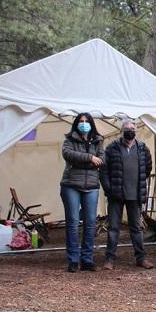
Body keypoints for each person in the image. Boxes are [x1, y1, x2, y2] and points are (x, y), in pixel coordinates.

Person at [101, 119, 153, 270]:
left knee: (136, 228)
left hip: (135, 194)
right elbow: (104, 170)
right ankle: (109, 259)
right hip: (116, 194)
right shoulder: (112, 148)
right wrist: (108, 188)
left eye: (132, 128)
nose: (129, 130)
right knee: (113, 228)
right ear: (121, 131)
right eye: (126, 128)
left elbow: (147, 168)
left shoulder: (143, 148)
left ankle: (141, 258)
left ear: (136, 131)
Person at [60, 112, 105, 273]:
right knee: (72, 223)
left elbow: (102, 160)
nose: (84, 123)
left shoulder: (99, 140)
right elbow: (68, 155)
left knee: (90, 223)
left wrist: (84, 160)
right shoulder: (69, 140)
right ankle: (73, 260)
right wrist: (90, 159)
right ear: (76, 124)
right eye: (81, 121)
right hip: (71, 185)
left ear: (92, 124)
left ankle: (87, 259)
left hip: (91, 186)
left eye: (87, 121)